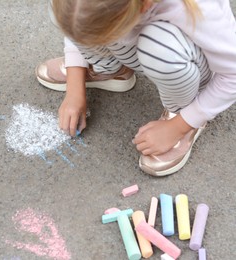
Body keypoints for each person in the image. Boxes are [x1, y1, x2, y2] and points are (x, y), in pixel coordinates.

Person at [36, 0, 236, 176]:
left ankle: (181, 108)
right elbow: (79, 12)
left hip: (184, 59)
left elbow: (232, 74)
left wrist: (179, 126)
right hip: (130, 27)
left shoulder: (196, 7)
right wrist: (75, 88)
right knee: (63, 9)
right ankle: (111, 69)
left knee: (159, 46)